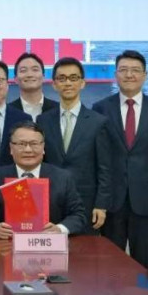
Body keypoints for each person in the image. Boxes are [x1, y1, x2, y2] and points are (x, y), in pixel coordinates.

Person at [92, 50, 148, 270]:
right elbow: (97, 157)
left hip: (147, 200)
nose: (129, 75)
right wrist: (98, 201)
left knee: (144, 263)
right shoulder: (100, 108)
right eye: (123, 70)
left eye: (135, 70)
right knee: (110, 264)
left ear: (145, 75)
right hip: (111, 201)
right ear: (115, 75)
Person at [36, 57, 112, 234]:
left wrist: (101, 204)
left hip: (86, 203)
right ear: (54, 84)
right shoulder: (43, 120)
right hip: (51, 202)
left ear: (82, 83)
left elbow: (105, 168)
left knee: (84, 251)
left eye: (73, 78)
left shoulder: (98, 122)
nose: (68, 83)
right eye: (62, 78)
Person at [0, 121, 87, 238]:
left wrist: (59, 229)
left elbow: (78, 215)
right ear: (11, 148)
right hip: (6, 244)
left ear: (43, 147)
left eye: (34, 144)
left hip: (48, 244)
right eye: (21, 144)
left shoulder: (63, 178)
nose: (28, 150)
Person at [10, 52, 59, 121]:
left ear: (43, 77)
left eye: (35, 70)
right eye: (23, 70)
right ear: (15, 79)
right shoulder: (7, 111)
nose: (29, 75)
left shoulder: (58, 109)